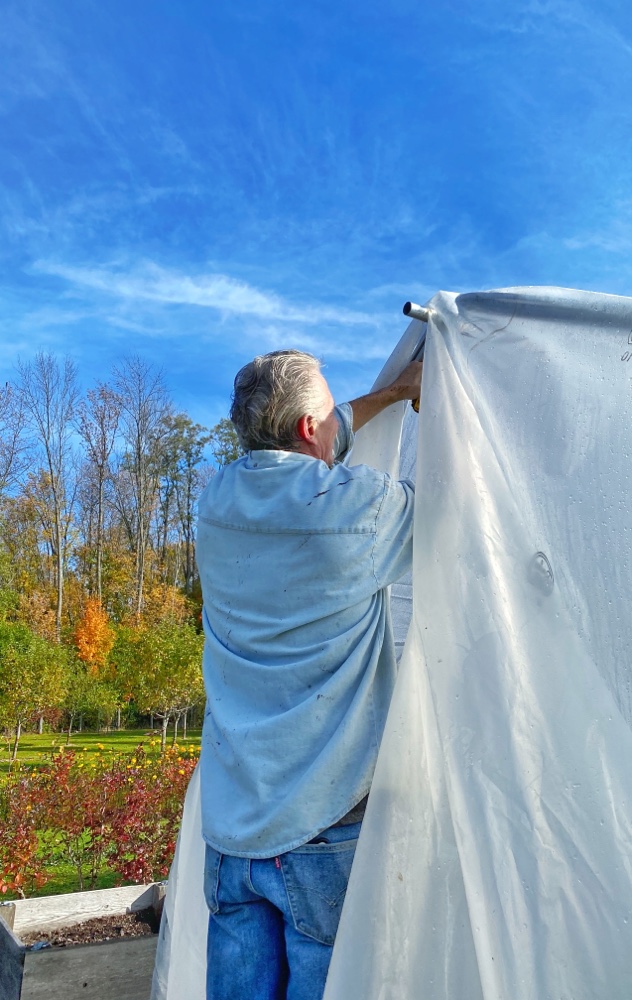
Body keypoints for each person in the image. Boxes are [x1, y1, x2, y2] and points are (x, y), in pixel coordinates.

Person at [196, 349, 423, 1000]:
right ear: (306, 429)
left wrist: (392, 393)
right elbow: (462, 508)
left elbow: (325, 435)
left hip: (235, 831)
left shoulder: (216, 503)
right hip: (321, 825)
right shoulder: (358, 509)